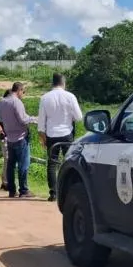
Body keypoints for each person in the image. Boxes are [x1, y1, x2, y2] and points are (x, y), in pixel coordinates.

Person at [37, 73, 83, 201]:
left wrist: (42, 136)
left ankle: (53, 193)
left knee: (52, 164)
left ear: (53, 83)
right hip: (67, 134)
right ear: (63, 83)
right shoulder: (70, 96)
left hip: (51, 135)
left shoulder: (45, 98)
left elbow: (41, 121)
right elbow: (79, 117)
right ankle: (69, 190)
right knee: (69, 162)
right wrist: (69, 117)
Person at [0, 82, 36, 198]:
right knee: (23, 164)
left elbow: (1, 119)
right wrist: (34, 119)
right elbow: (23, 120)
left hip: (10, 137)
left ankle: (12, 190)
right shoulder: (16, 102)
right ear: (19, 90)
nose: (23, 94)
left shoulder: (2, 102)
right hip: (21, 137)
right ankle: (23, 190)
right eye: (23, 92)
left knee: (10, 164)